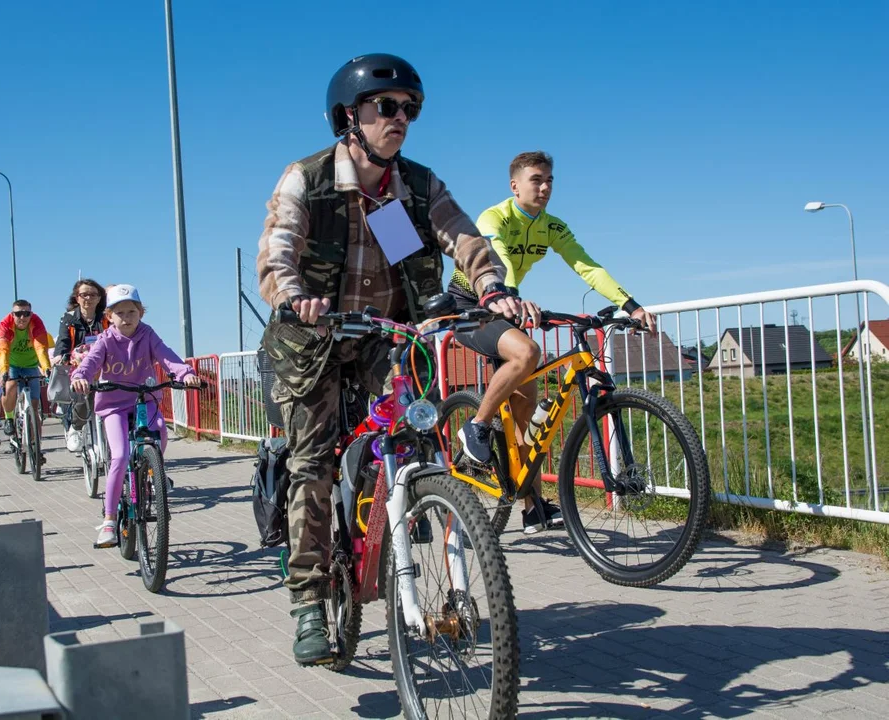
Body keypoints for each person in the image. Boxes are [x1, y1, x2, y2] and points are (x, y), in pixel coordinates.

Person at [256, 53, 530, 666]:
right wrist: (294, 293)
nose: (400, 118)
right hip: (314, 340)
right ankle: (306, 604)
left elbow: (461, 237)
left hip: (383, 336)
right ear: (350, 116)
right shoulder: (310, 177)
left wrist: (490, 285)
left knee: (417, 437)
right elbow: (279, 248)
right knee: (312, 464)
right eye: (387, 107)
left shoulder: (410, 187)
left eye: (410, 109)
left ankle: (422, 524)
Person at [450, 150, 658, 534]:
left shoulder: (553, 227)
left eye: (550, 181)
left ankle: (531, 508)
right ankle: (477, 426)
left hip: (508, 306)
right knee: (527, 352)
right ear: (515, 186)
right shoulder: (493, 217)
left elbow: (587, 265)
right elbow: (497, 258)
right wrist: (508, 292)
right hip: (473, 304)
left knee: (528, 422)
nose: (545, 188)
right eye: (536, 180)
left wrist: (630, 305)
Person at [69, 284, 199, 548]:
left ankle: (152, 472)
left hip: (144, 398)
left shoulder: (147, 335)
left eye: (132, 311)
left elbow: (167, 356)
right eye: (120, 313)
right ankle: (108, 519)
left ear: (141, 312)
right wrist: (80, 376)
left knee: (160, 430)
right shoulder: (106, 339)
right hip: (114, 403)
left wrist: (185, 374)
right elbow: (91, 362)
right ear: (109, 316)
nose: (126, 318)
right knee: (119, 456)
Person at [54, 278, 108, 452]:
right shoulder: (68, 318)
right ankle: (76, 428)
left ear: (99, 298)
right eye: (84, 294)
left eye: (93, 294)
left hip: (103, 367)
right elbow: (63, 342)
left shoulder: (106, 318)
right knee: (82, 392)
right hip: (77, 366)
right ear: (77, 298)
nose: (88, 298)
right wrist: (60, 357)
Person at [0, 300, 52, 441]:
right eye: (18, 314)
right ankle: (9, 418)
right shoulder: (5, 326)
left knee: (34, 407)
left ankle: (35, 446)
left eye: (26, 314)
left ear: (30, 314)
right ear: (12, 314)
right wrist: (3, 371)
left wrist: (46, 368)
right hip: (11, 364)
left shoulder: (37, 323)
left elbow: (40, 348)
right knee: (11, 385)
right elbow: (3, 350)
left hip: (31, 365)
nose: (22, 317)